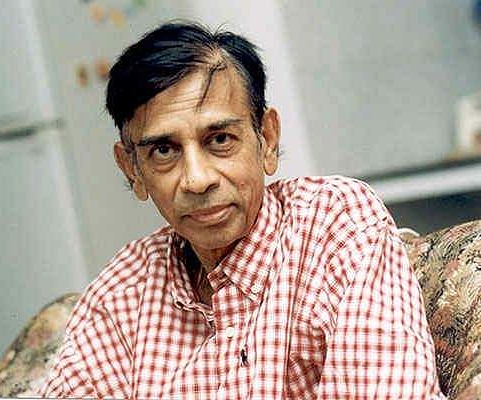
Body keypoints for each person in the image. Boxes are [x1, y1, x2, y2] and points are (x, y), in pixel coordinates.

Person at [39, 22, 444, 399]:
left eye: (219, 139)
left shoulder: (334, 225)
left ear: (266, 139)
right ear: (133, 170)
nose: (197, 179)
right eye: (164, 150)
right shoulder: (124, 292)